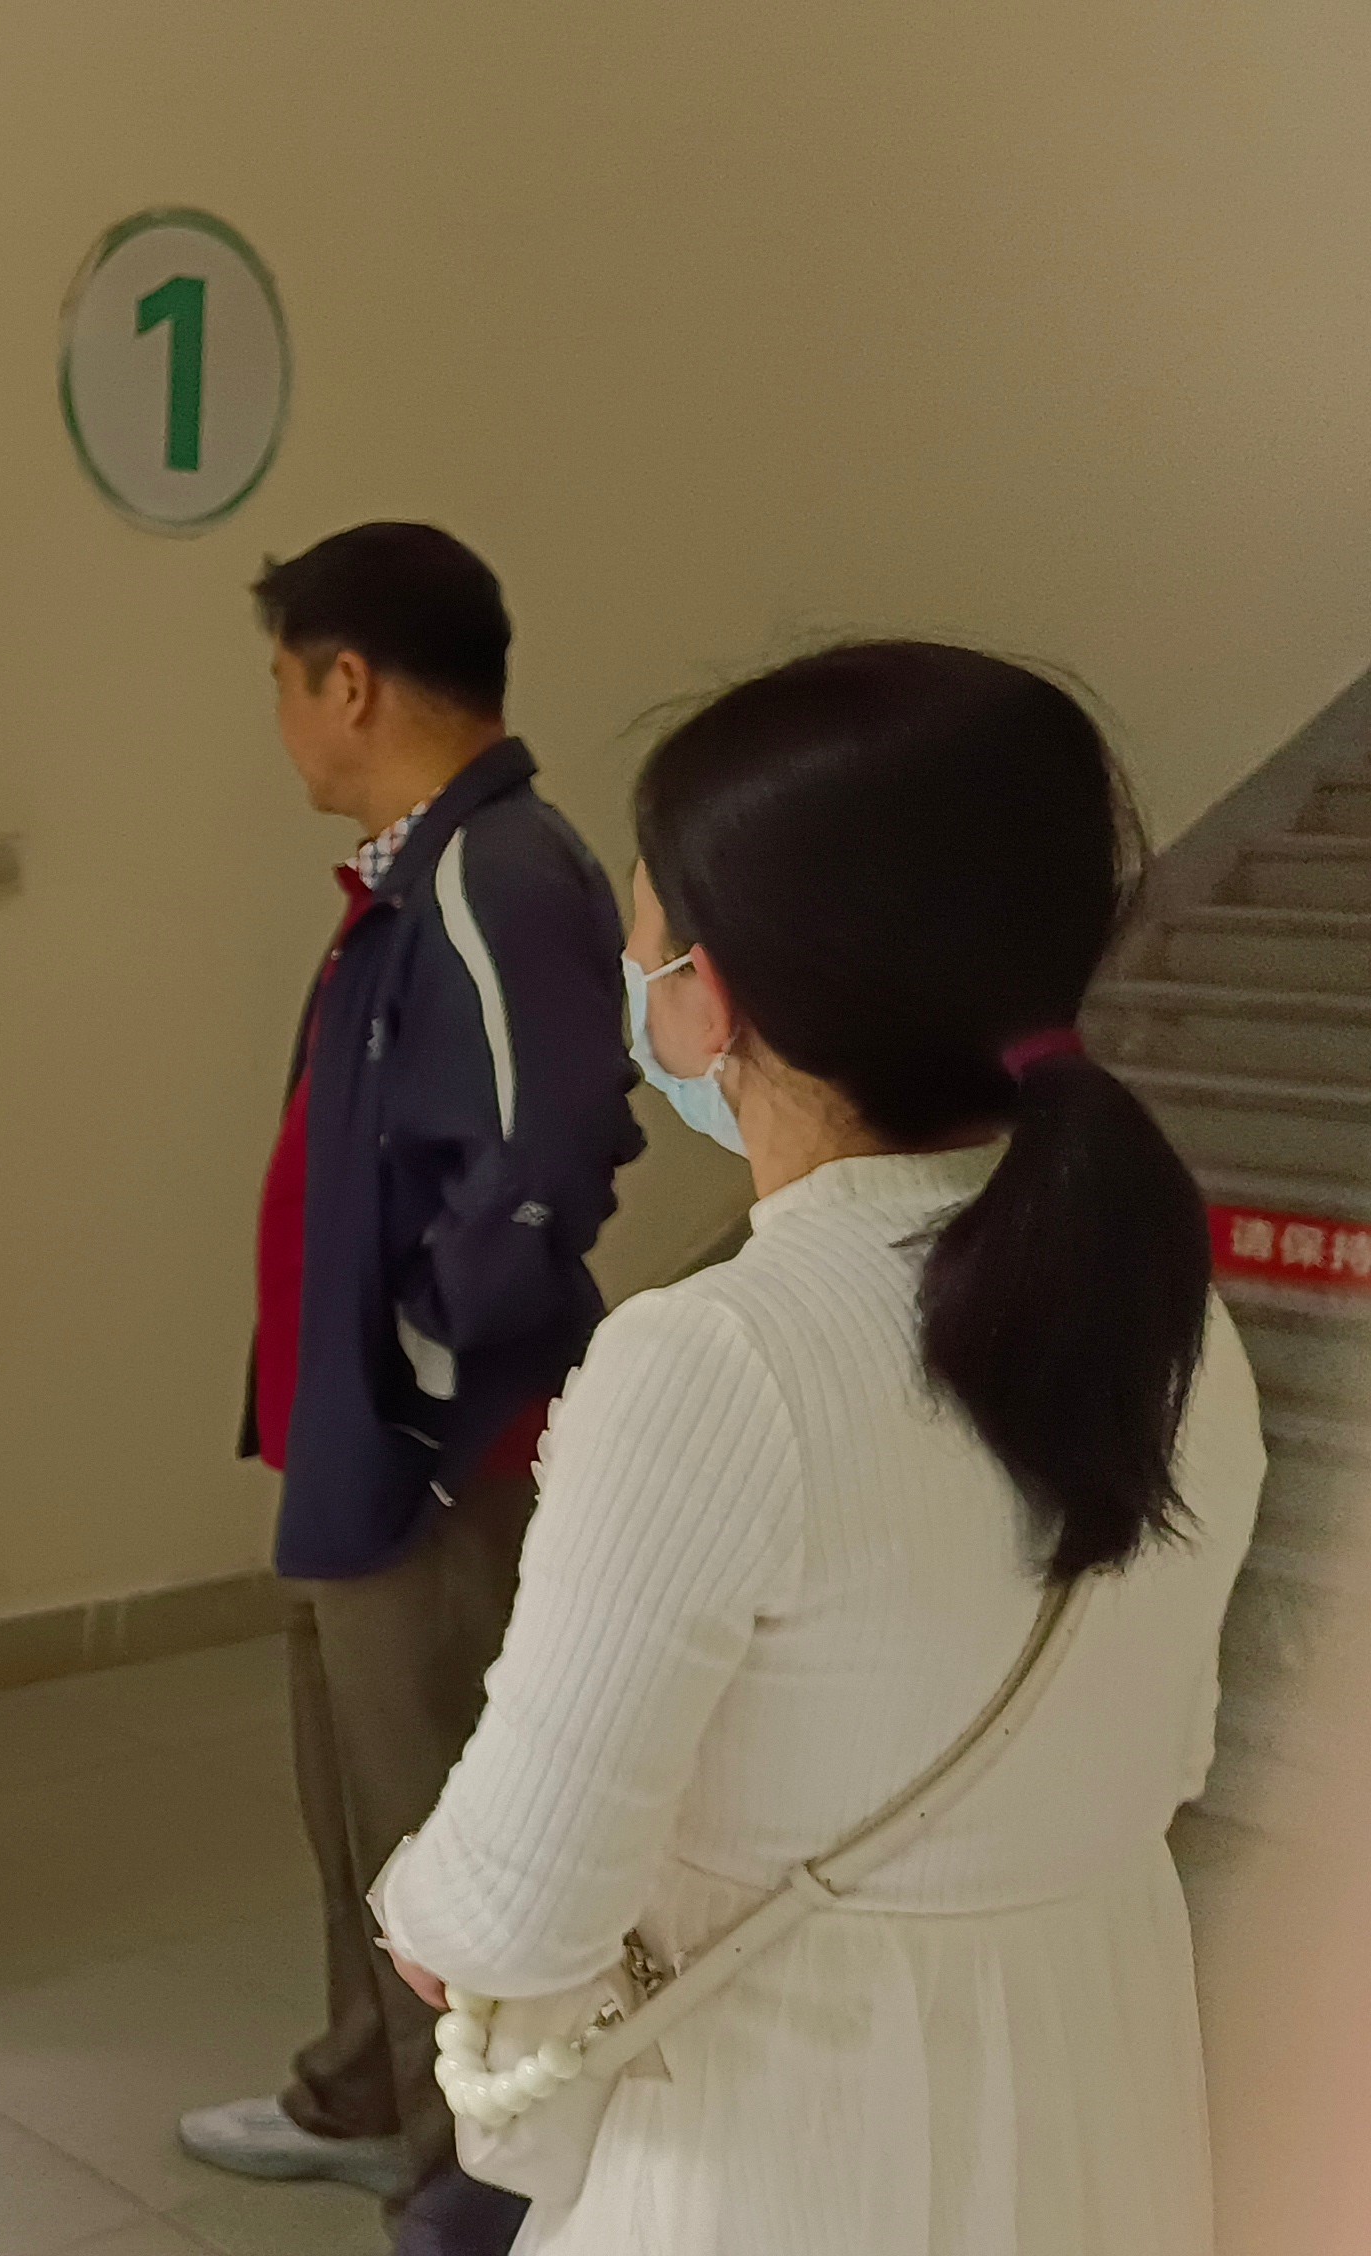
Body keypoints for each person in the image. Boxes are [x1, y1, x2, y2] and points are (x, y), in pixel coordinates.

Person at [371, 642, 1262, 2254]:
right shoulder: (1171, 1312)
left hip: (798, 2135)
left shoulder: (716, 1360)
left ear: (710, 998)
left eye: (644, 948)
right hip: (1092, 2090)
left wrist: (417, 1907)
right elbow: (1169, 1757)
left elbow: (513, 1906)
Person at [177, 523, 640, 2255]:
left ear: (350, 683)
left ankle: (481, 2173)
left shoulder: (497, 870)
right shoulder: (416, 868)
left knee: (446, 1810)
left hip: (437, 1448)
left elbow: (550, 1154)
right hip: (356, 1436)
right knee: (360, 1800)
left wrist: (427, 1369)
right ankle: (369, 2091)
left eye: (284, 684)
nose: (283, 722)